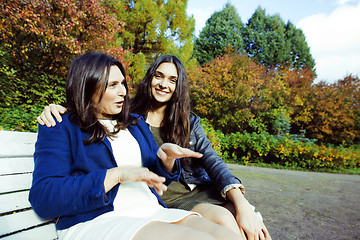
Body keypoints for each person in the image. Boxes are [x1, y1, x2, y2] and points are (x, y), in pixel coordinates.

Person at [37, 55, 271, 240]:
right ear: (89, 86)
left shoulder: (133, 124)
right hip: (105, 217)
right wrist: (116, 174)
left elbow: (163, 178)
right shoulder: (62, 125)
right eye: (113, 85)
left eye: (123, 84)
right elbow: (44, 196)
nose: (123, 92)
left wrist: (166, 161)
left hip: (152, 209)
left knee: (227, 235)